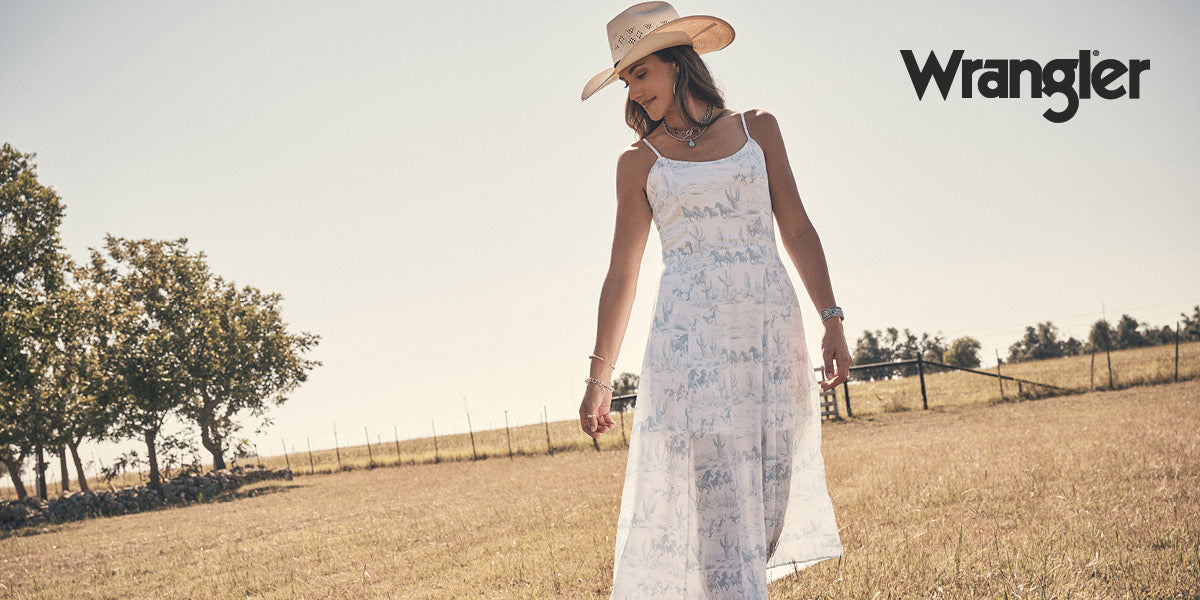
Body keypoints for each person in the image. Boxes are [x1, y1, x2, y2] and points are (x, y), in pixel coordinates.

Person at [577, 2, 848, 598]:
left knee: (768, 503)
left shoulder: (758, 129)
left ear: (676, 62)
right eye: (627, 81)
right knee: (721, 508)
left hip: (770, 333)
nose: (634, 91)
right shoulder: (638, 163)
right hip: (691, 346)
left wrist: (832, 319)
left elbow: (797, 227)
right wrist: (600, 378)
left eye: (641, 73)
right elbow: (622, 274)